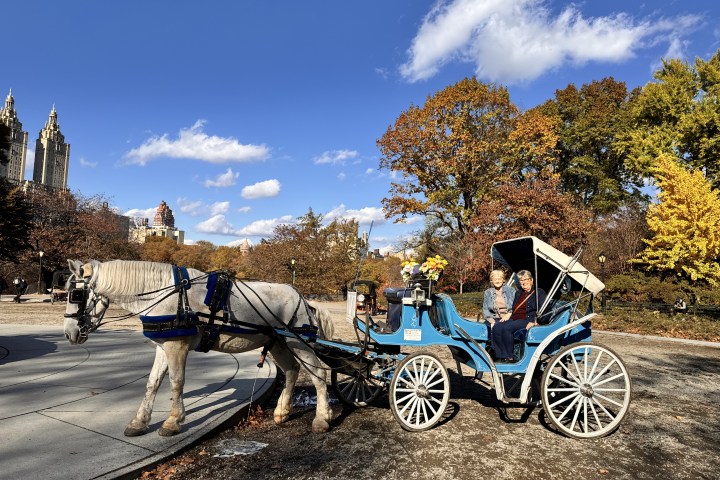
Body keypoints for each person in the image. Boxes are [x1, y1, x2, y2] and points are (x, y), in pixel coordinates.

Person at [491, 270, 547, 362]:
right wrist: (507, 316)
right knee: (496, 326)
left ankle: (509, 356)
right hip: (515, 319)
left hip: (527, 319)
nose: (523, 282)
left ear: (531, 280)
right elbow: (513, 309)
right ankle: (499, 355)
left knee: (507, 327)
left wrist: (534, 322)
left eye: (526, 279)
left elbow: (543, 310)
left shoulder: (539, 293)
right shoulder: (519, 293)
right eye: (521, 280)